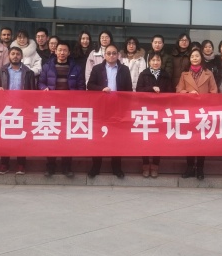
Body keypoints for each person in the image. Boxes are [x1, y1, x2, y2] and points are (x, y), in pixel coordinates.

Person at [39, 41, 85, 177]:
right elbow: (40, 82)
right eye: (59, 50)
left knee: (67, 138)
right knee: (51, 137)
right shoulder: (47, 67)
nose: (62, 53)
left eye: (65, 50)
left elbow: (81, 86)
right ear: (55, 51)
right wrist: (44, 88)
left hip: (69, 108)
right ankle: (50, 166)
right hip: (52, 108)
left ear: (69, 53)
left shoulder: (76, 68)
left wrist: (76, 96)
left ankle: (66, 167)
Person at [87, 43, 131, 178]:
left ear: (118, 55)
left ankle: (116, 168)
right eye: (109, 53)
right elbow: (90, 85)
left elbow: (129, 89)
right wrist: (101, 89)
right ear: (104, 55)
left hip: (118, 108)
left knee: (117, 138)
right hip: (101, 108)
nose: (111, 55)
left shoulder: (124, 69)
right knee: (98, 137)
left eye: (114, 53)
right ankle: (96, 167)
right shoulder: (97, 68)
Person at [0, 46, 36, 174]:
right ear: (9, 56)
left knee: (22, 136)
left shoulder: (28, 72)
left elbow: (33, 91)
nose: (15, 56)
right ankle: (4, 164)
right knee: (5, 136)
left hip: (22, 108)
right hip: (6, 108)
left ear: (21, 56)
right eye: (13, 54)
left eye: (17, 54)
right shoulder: (1, 71)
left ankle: (21, 164)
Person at [176, 47, 218, 180]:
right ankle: (189, 167)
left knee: (201, 141)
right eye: (192, 56)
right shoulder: (184, 74)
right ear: (189, 59)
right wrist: (189, 93)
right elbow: (178, 90)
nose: (194, 58)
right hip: (189, 112)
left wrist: (205, 99)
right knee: (189, 141)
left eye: (197, 56)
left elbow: (214, 91)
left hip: (203, 112)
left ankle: (200, 168)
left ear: (201, 58)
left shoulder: (208, 73)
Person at [136, 52, 173, 178]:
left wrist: (162, 93)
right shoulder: (144, 74)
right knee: (145, 139)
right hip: (147, 111)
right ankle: (145, 165)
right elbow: (138, 90)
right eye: (153, 60)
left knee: (158, 140)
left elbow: (171, 92)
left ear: (161, 62)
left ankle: (156, 165)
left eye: (158, 60)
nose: (155, 62)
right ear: (149, 62)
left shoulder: (166, 75)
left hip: (161, 111)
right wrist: (151, 88)